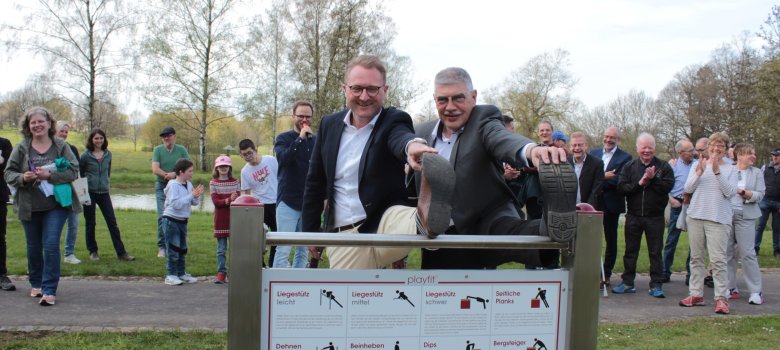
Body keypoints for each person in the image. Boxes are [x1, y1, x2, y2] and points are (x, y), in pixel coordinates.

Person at [413, 67, 577, 270]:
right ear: (434, 99)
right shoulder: (421, 133)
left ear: (473, 96)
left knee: (513, 236)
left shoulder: (483, 119)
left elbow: (502, 139)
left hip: (484, 221)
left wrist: (531, 151)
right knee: (436, 295)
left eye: (458, 98)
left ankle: (550, 228)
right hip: (438, 237)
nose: (450, 107)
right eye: (442, 100)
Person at [301, 55, 434, 269]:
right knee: (351, 299)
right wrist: (310, 231)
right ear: (345, 89)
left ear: (385, 90)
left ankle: (426, 217)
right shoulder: (329, 124)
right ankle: (422, 222)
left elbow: (401, 138)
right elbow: (315, 181)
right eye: (357, 89)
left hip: (385, 222)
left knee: (406, 219)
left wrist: (413, 147)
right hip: (346, 234)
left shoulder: (394, 119)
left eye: (372, 89)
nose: (364, 96)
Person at [5, 106, 80, 306]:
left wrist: (51, 176)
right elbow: (8, 173)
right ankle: (36, 282)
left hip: (56, 205)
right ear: (28, 126)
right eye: (33, 122)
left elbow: (74, 170)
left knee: (51, 245)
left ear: (49, 123)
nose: (37, 125)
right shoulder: (22, 147)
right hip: (29, 207)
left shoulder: (60, 145)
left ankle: (49, 289)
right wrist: (23, 177)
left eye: (41, 121)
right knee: (33, 247)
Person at [679, 132, 736, 314]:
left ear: (726, 150)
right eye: (713, 145)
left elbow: (729, 192)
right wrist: (699, 172)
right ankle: (696, 294)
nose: (716, 149)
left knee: (718, 261)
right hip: (696, 216)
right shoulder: (698, 164)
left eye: (721, 146)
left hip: (718, 219)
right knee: (696, 258)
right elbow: (687, 189)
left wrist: (717, 172)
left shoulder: (732, 169)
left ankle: (721, 298)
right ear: (708, 147)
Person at [612, 133, 674, 298]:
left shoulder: (664, 167)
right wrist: (640, 183)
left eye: (650, 147)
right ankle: (627, 283)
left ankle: (656, 285)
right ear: (638, 148)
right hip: (633, 216)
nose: (647, 150)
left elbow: (667, 187)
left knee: (655, 252)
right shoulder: (629, 166)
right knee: (630, 251)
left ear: (654, 148)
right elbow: (622, 188)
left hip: (655, 217)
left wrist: (653, 179)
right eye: (644, 147)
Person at [80, 129, 134, 262]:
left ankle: (122, 253)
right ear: (91, 140)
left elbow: (107, 172)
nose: (99, 141)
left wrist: (106, 183)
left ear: (104, 140)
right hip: (90, 193)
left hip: (104, 193)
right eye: (96, 138)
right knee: (90, 223)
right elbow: (80, 175)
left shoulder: (108, 155)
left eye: (101, 138)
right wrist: (83, 194)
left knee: (112, 222)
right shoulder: (85, 156)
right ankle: (93, 251)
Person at [273, 101, 316, 268]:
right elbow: (284, 159)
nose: (304, 119)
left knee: (303, 248)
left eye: (307, 116)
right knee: (283, 248)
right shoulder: (283, 138)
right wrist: (300, 139)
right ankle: (278, 287)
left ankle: (299, 287)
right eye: (301, 116)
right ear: (293, 117)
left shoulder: (315, 140)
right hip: (288, 201)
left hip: (308, 203)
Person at [590, 126, 632, 287]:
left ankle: (605, 274)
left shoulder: (625, 157)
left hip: (612, 205)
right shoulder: (593, 153)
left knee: (610, 240)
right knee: (591, 240)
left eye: (612, 138)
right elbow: (588, 177)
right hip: (593, 204)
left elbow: (619, 181)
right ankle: (590, 271)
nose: (608, 140)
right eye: (606, 136)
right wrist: (604, 176)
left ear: (618, 140)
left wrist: (598, 179)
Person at [726, 143, 765, 305]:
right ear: (739, 155)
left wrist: (747, 194)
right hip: (727, 215)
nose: (754, 157)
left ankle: (756, 291)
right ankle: (730, 288)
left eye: (754, 154)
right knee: (727, 253)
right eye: (751, 154)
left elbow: (761, 194)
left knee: (747, 253)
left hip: (746, 215)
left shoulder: (756, 173)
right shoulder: (727, 170)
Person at [162, 158, 203, 286]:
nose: (192, 173)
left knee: (182, 249)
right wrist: (191, 196)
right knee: (174, 249)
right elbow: (176, 205)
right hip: (171, 220)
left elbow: (194, 203)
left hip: (183, 221)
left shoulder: (188, 184)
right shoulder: (173, 185)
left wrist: (197, 195)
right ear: (181, 172)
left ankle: (181, 273)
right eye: (190, 171)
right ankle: (171, 275)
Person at [239, 139, 278, 266]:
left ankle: (273, 264)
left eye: (250, 153)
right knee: (259, 237)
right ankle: (260, 265)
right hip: (260, 206)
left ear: (255, 150)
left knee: (277, 236)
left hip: (277, 203)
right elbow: (246, 194)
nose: (248, 157)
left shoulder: (270, 160)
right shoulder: (245, 171)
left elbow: (281, 178)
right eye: (244, 154)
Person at [152, 127, 190, 258]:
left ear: (174, 136)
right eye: (164, 137)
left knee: (178, 215)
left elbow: (188, 165)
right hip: (162, 185)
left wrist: (175, 173)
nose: (166, 139)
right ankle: (162, 247)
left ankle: (177, 244)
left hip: (178, 185)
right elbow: (155, 169)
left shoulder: (181, 150)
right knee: (162, 216)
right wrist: (168, 175)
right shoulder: (157, 150)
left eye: (168, 136)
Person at [662, 139, 696, 283]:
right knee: (671, 240)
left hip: (694, 204)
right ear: (681, 153)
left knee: (695, 242)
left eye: (693, 149)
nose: (693, 153)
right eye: (690, 151)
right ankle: (665, 271)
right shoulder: (672, 166)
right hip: (677, 204)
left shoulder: (697, 164)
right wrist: (671, 200)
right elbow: (663, 186)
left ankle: (691, 274)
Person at [209, 155, 240, 283]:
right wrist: (229, 200)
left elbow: (238, 200)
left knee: (235, 249)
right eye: (221, 166)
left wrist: (234, 198)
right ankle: (221, 273)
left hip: (234, 219)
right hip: (221, 220)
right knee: (221, 249)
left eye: (226, 166)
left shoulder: (235, 181)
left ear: (229, 167)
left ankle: (235, 272)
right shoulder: (213, 183)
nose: (223, 168)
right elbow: (216, 202)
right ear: (216, 168)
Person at [57, 123, 82, 264]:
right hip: (55, 192)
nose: (64, 134)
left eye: (66, 131)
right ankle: (51, 254)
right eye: (62, 131)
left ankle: (69, 254)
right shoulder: (50, 148)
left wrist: (82, 192)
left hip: (71, 190)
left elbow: (76, 171)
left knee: (74, 222)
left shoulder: (72, 149)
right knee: (55, 225)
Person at [754, 147, 780, 258]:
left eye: (777, 156)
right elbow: (758, 182)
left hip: (778, 202)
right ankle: (755, 248)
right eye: (773, 155)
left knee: (777, 227)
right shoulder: (765, 168)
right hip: (765, 201)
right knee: (760, 226)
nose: (774, 157)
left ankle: (777, 250)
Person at [568, 131, 603, 208]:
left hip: (589, 207)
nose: (577, 148)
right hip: (568, 207)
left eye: (580, 145)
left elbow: (596, 189)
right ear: (570, 147)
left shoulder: (597, 163)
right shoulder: (565, 163)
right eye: (574, 145)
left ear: (586, 146)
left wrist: (587, 207)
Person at [0, 136, 14, 291]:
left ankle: (1, 274)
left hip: (0, 196)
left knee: (0, 236)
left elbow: (8, 169)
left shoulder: (4, 143)